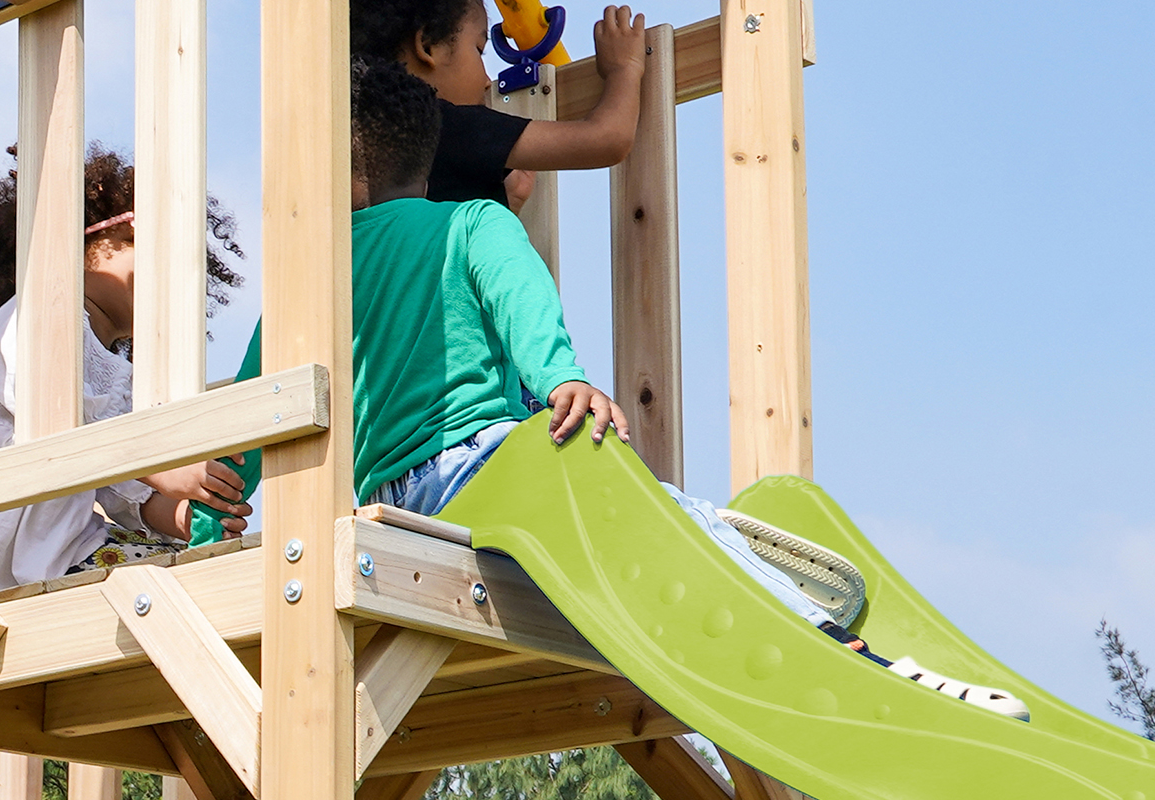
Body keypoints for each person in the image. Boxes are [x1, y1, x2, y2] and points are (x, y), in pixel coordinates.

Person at [206, 75, 1020, 713]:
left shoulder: (308, 280)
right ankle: (826, 639)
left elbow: (249, 414)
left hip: (392, 500)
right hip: (487, 474)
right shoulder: (471, 225)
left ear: (345, 174)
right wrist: (563, 375)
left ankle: (727, 556)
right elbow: (521, 300)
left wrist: (202, 525)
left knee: (642, 522)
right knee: (651, 515)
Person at [0, 150, 254, 597]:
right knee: (188, 585)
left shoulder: (116, 380)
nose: (171, 279)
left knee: (193, 569)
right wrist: (161, 464)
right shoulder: (42, 310)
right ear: (106, 233)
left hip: (56, 555)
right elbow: (46, 407)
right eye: (157, 251)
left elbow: (129, 493)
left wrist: (188, 516)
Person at [350, 0, 648, 213]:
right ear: (429, 46)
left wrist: (510, 199)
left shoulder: (369, 137)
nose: (487, 79)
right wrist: (624, 70)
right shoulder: (442, 124)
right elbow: (606, 140)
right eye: (478, 50)